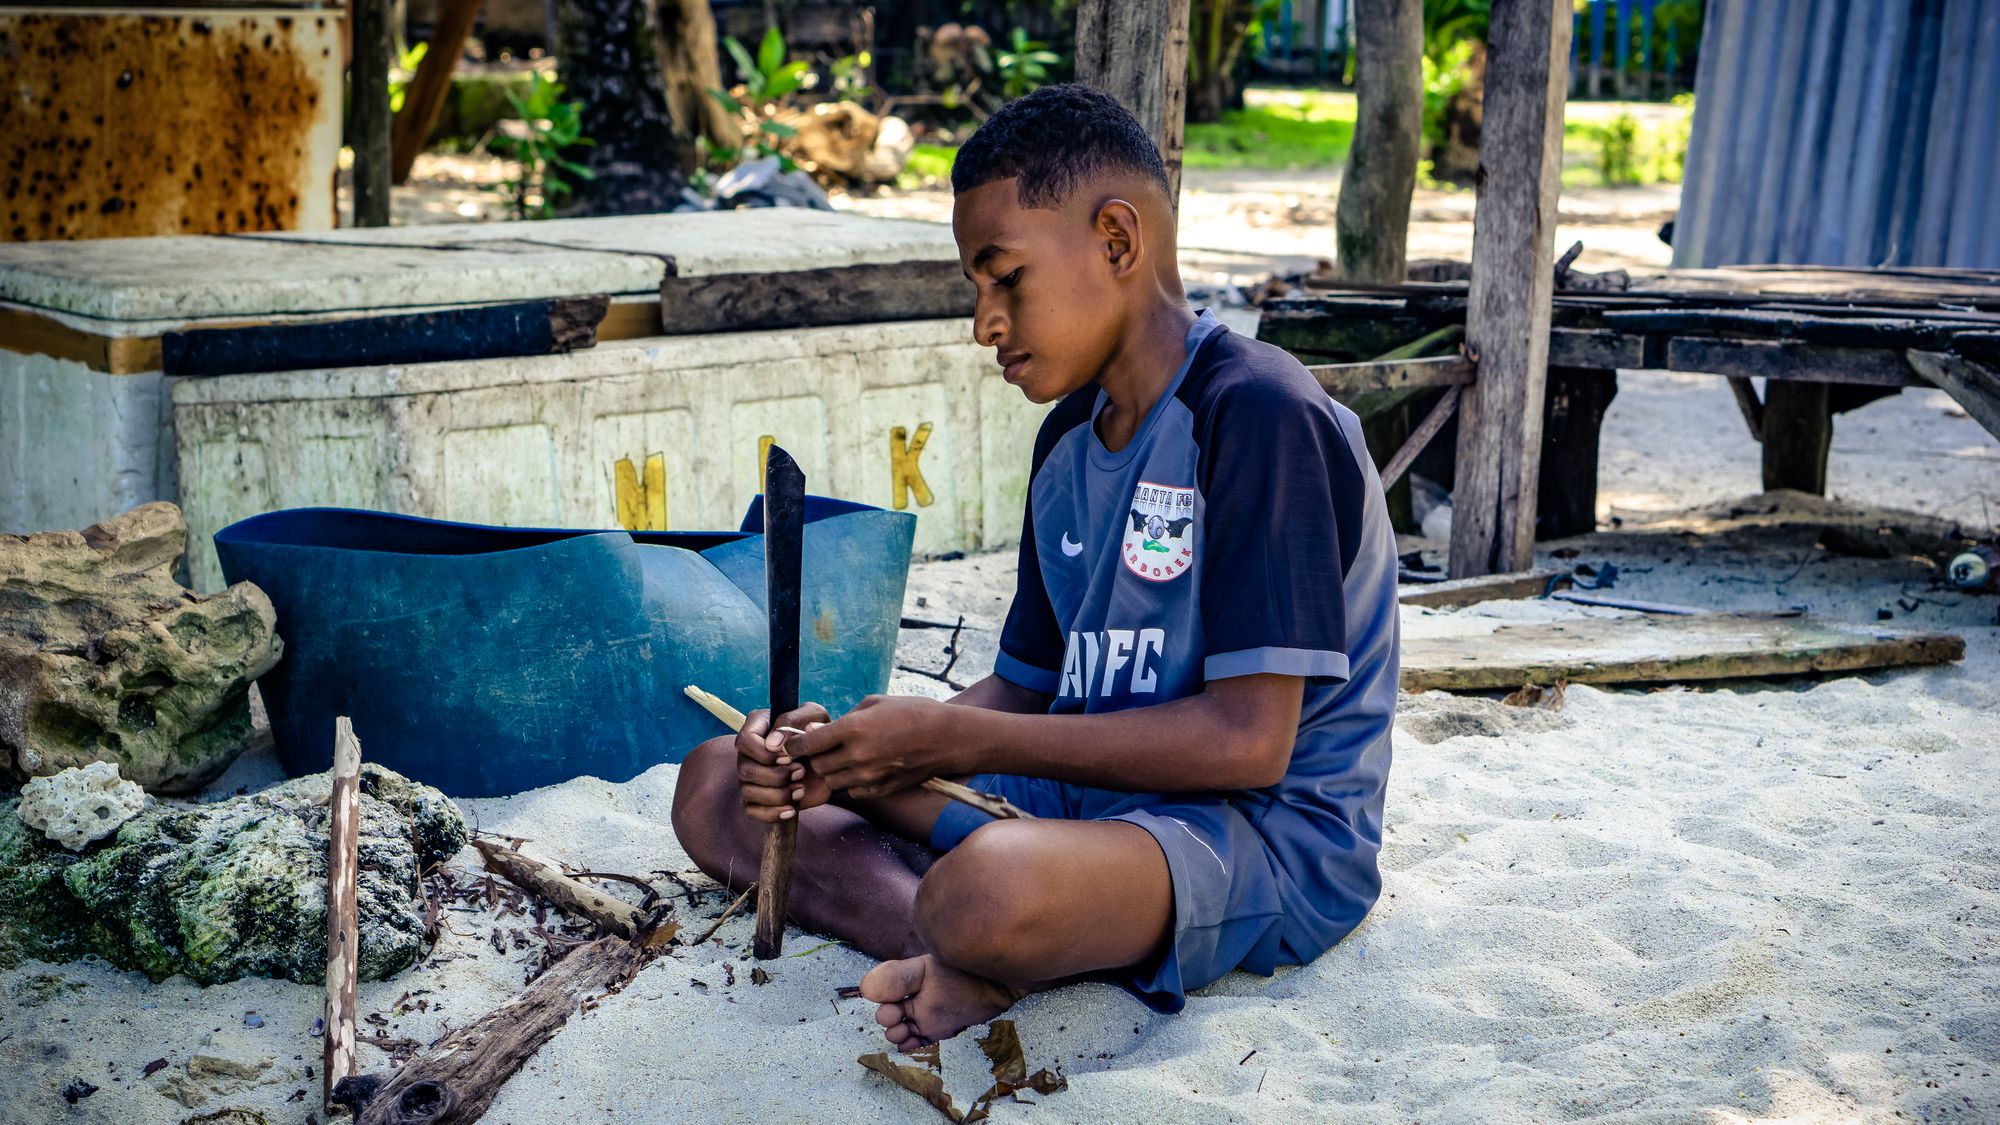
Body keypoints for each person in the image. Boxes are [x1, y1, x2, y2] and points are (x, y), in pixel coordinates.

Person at [671, 83, 1398, 1052]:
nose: (984, 321)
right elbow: (1024, 689)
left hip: (1254, 841)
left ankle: (978, 931)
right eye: (975, 288)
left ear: (1115, 240)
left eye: (1003, 277)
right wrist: (852, 750)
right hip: (1076, 806)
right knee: (722, 779)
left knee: (992, 886)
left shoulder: (1258, 414)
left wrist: (951, 745)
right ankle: (955, 950)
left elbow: (1245, 744)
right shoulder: (1067, 438)